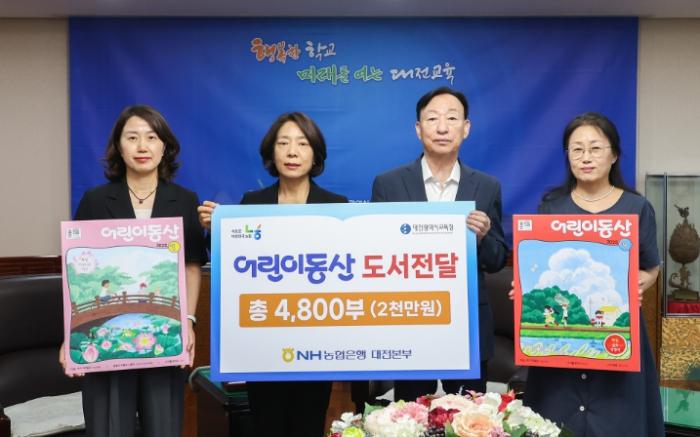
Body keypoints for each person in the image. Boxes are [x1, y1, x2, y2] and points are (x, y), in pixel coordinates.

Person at [59, 105, 207, 437]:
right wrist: (69, 334)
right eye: (132, 137)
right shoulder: (95, 200)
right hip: (106, 342)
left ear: (165, 146)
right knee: (109, 425)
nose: (142, 146)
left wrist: (187, 321)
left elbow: (191, 265)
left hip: (164, 333)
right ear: (119, 146)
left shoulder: (184, 200)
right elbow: (75, 270)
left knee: (164, 424)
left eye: (151, 138)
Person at [198, 112, 348, 437]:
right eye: (283, 143)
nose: (292, 152)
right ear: (272, 152)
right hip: (263, 340)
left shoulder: (336, 206)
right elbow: (230, 263)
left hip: (316, 341)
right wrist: (216, 229)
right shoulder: (252, 204)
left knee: (309, 425)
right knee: (266, 425)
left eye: (302, 144)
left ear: (315, 154)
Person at [522, 112, 664, 436]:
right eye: (577, 149)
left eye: (595, 148)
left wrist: (640, 282)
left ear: (614, 155)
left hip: (618, 338)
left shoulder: (636, 207)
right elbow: (536, 266)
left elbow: (651, 267)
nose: (586, 157)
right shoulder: (551, 207)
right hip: (561, 347)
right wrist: (526, 288)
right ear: (568, 156)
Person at [371, 87, 508, 400]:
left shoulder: (487, 186)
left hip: (468, 326)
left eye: (452, 118)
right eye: (432, 119)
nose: (442, 127)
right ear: (418, 129)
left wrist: (483, 238)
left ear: (466, 128)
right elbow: (376, 252)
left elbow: (497, 259)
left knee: (470, 416)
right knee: (409, 415)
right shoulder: (389, 184)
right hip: (411, 321)